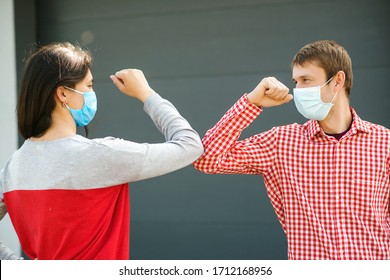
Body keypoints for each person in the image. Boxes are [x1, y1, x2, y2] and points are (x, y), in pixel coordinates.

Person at [0, 42, 203, 260]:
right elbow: (189, 145)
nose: (92, 93)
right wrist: (146, 93)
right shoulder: (99, 155)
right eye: (88, 86)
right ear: (63, 94)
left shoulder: (13, 167)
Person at [193, 40, 390, 260]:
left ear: (337, 81)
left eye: (306, 80)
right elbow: (207, 160)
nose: (298, 90)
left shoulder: (385, 143)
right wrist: (251, 103)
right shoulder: (281, 142)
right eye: (296, 81)